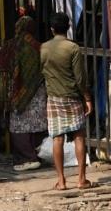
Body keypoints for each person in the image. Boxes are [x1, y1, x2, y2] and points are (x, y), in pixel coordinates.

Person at [40, 11, 93, 189]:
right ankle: (81, 179)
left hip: (54, 98)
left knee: (57, 138)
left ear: (52, 29)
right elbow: (80, 78)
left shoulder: (43, 48)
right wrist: (87, 97)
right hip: (72, 97)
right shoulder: (73, 48)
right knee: (79, 136)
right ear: (68, 27)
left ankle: (61, 181)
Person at [0, 15, 47, 172]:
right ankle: (38, 154)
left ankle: (27, 157)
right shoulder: (38, 47)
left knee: (19, 126)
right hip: (36, 91)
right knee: (37, 123)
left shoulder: (9, 46)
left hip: (15, 92)